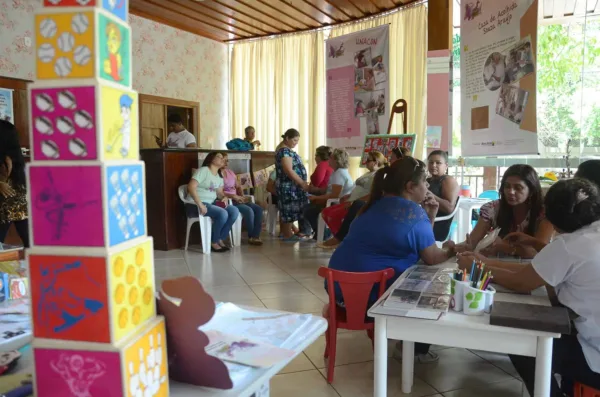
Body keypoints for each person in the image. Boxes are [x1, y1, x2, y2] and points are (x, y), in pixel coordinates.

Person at [459, 178, 600, 396]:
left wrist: (479, 266)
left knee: (525, 345)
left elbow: (523, 281)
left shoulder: (568, 246)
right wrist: (486, 262)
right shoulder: (590, 235)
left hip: (595, 355)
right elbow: (538, 269)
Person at [327, 157, 456, 363]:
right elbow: (431, 256)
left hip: (339, 294)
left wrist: (430, 215)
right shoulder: (412, 212)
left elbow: (421, 242)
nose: (428, 186)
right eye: (425, 182)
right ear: (410, 187)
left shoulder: (371, 205)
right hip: (372, 299)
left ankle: (402, 339)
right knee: (433, 279)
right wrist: (451, 249)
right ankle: (412, 346)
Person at [455, 164, 554, 258]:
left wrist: (508, 248)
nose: (510, 192)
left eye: (518, 188)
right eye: (507, 186)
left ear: (531, 191)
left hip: (533, 269)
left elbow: (540, 252)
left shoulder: (544, 213)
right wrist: (457, 247)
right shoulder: (492, 209)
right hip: (498, 265)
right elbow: (472, 242)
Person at [318, 150, 387, 249]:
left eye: (368, 160)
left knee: (333, 214)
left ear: (375, 162)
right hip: (351, 200)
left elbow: (373, 194)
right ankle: (339, 237)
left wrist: (353, 201)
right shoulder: (368, 173)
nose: (365, 162)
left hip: (359, 203)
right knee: (326, 212)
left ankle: (339, 238)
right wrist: (349, 195)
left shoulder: (378, 175)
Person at [186, 152, 239, 253]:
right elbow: (191, 187)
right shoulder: (203, 171)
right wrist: (200, 204)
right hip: (195, 204)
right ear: (211, 159)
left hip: (211, 203)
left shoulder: (219, 175)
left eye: (223, 158)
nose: (223, 159)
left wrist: (224, 197)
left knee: (234, 211)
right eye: (220, 157)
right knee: (222, 213)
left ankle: (219, 238)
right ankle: (213, 242)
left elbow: (219, 192)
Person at [303, 149, 354, 240]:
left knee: (308, 210)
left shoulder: (339, 174)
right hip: (335, 201)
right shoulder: (337, 172)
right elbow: (327, 190)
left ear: (336, 160)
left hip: (338, 203)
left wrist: (316, 197)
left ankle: (323, 234)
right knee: (308, 207)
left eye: (330, 158)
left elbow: (335, 195)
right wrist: (315, 191)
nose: (328, 160)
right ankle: (320, 233)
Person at [220, 154, 264, 246]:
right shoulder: (216, 174)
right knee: (249, 210)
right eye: (224, 160)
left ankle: (255, 235)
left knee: (258, 209)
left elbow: (238, 186)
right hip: (228, 200)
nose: (227, 162)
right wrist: (234, 196)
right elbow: (219, 192)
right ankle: (252, 237)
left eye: (227, 160)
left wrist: (242, 196)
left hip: (237, 198)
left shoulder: (230, 172)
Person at [275, 129, 309, 242]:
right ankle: (287, 234)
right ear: (287, 138)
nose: (296, 142)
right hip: (288, 186)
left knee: (290, 210)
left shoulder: (287, 150)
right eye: (294, 140)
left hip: (292, 186)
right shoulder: (284, 151)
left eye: (298, 140)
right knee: (288, 210)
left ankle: (288, 233)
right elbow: (289, 170)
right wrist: (302, 183)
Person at [0, 121, 29, 247]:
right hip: (18, 198)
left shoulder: (5, 160)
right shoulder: (15, 158)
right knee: (27, 236)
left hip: (5, 201)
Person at [427, 150, 459, 241]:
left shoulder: (448, 180)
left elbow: (449, 208)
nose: (433, 165)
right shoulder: (428, 180)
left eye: (438, 163)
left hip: (437, 224)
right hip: (424, 220)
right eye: (431, 162)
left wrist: (430, 195)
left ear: (446, 165)